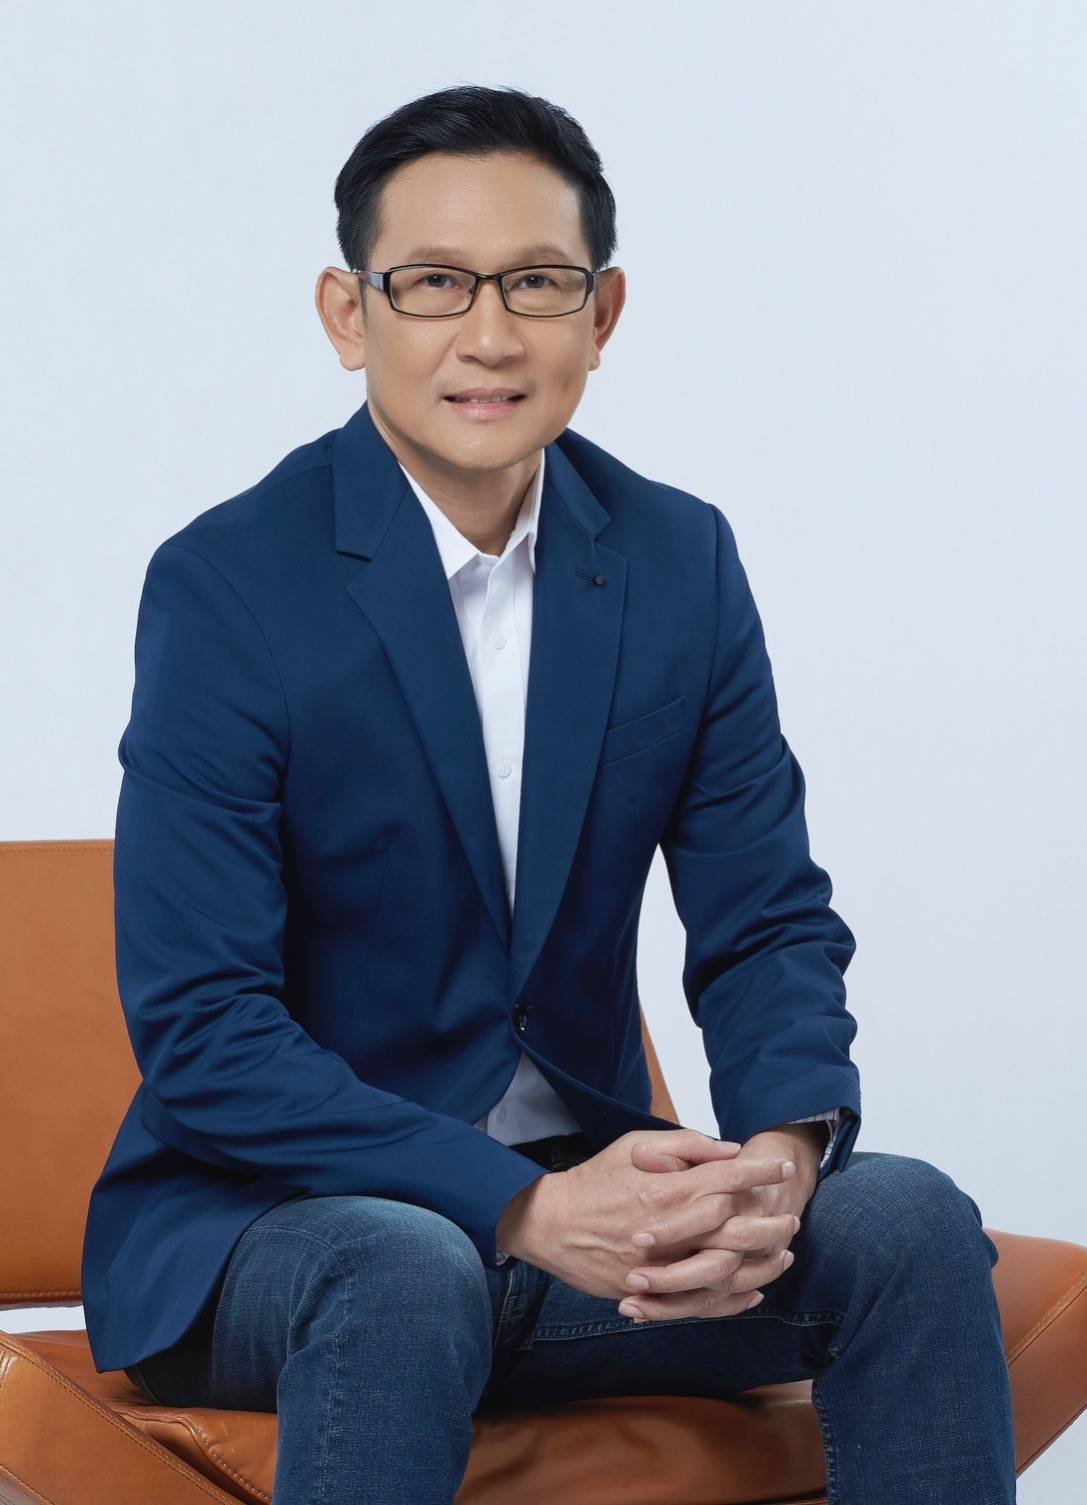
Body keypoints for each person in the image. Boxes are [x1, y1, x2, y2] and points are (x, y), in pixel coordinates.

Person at [82, 84, 1016, 1504]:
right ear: (348, 313)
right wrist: (516, 1202)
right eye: (434, 284)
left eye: (537, 283)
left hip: (589, 1209)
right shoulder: (229, 587)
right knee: (405, 1264)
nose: (491, 334)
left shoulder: (677, 561)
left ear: (604, 311)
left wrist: (778, 1158)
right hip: (279, 1230)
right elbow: (206, 1030)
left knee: (906, 1221)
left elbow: (765, 922)